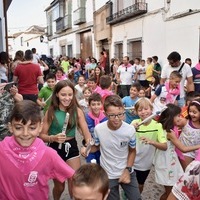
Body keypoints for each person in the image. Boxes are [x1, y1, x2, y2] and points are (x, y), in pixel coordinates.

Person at [0, 100, 75, 199]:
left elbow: (73, 176)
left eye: (32, 128)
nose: (25, 133)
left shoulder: (49, 154)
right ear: (10, 127)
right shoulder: (2, 149)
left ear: (40, 127)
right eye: (18, 128)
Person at [39, 80, 91, 200]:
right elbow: (41, 135)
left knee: (75, 180)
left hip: (71, 146)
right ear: (56, 94)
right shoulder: (50, 112)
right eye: (63, 95)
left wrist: (86, 146)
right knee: (60, 186)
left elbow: (87, 135)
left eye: (70, 95)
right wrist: (53, 138)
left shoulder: (77, 111)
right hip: (54, 149)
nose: (67, 98)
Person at [93, 94, 141, 200]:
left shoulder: (130, 130)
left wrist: (127, 169)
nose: (117, 119)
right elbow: (95, 147)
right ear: (105, 114)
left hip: (127, 170)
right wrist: (86, 149)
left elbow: (132, 151)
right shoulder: (98, 129)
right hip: (108, 174)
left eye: (120, 114)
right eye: (112, 115)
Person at [154, 104, 200, 200]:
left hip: (171, 162)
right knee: (170, 192)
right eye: (178, 115)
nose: (180, 118)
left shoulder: (171, 128)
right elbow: (183, 148)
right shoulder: (169, 132)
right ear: (171, 117)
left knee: (172, 190)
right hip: (166, 163)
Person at [131, 97, 167, 193]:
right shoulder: (134, 123)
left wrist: (152, 142)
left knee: (140, 184)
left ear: (152, 110)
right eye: (140, 110)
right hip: (131, 161)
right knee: (130, 184)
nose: (143, 112)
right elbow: (125, 139)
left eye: (146, 109)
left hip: (145, 164)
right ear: (137, 112)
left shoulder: (157, 125)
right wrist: (130, 130)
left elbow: (164, 146)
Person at [85, 93, 107, 164]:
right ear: (89, 105)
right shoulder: (86, 117)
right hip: (91, 146)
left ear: (101, 105)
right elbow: (82, 129)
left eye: (98, 104)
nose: (96, 107)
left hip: (103, 147)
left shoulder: (105, 117)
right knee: (92, 167)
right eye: (93, 104)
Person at [179, 99, 200, 169]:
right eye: (190, 111)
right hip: (186, 152)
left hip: (197, 152)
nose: (191, 114)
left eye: (194, 112)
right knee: (188, 172)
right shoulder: (185, 122)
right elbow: (173, 124)